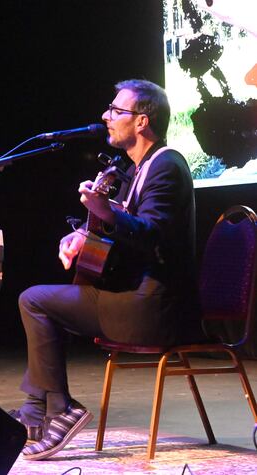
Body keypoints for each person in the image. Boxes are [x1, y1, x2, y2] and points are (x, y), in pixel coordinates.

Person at [15, 79, 199, 461]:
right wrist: (84, 234)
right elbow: (125, 232)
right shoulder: (137, 169)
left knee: (35, 301)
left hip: (154, 307)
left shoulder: (167, 165)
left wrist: (106, 213)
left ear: (142, 122)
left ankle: (60, 411)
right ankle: (35, 414)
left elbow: (152, 237)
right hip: (137, 296)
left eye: (117, 111)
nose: (106, 116)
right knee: (43, 302)